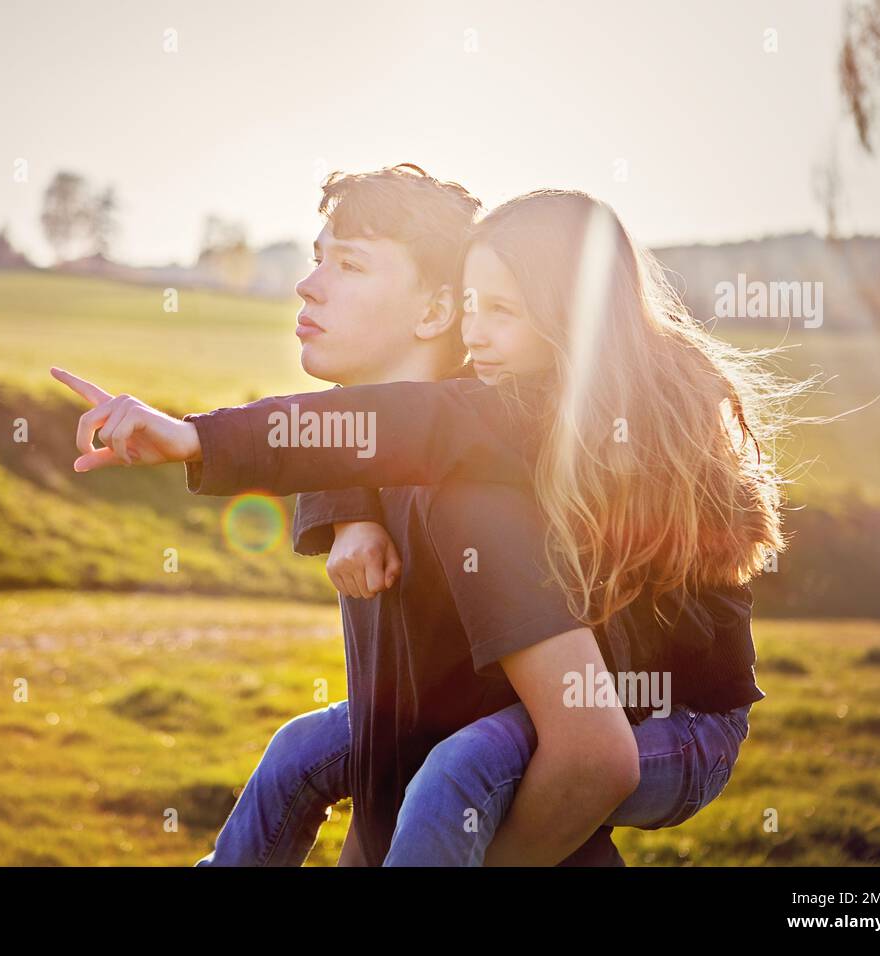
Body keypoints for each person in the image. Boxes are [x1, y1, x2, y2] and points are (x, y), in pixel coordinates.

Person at [53, 173, 798, 865]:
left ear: (565, 323)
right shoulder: (473, 407)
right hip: (554, 720)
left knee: (458, 771)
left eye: (349, 265)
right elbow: (372, 428)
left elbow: (413, 425)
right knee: (303, 750)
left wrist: (197, 438)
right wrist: (349, 511)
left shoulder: (512, 442)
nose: (307, 287)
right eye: (475, 307)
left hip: (679, 716)